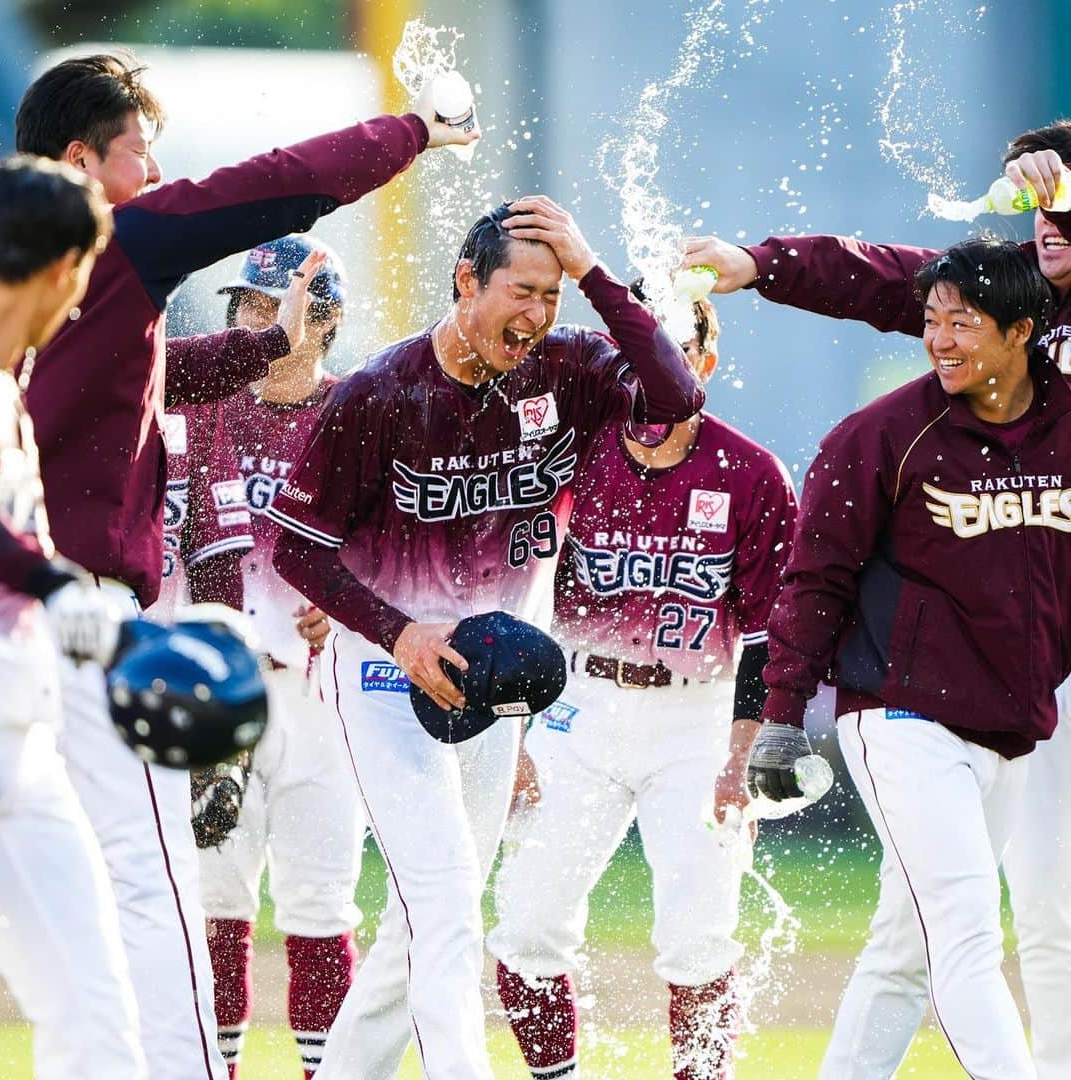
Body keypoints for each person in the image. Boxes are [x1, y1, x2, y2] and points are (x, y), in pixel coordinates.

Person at [14, 50, 476, 1080]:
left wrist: (260, 351)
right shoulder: (118, 238)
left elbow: (127, 380)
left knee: (51, 894)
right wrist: (412, 132)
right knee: (152, 882)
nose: (157, 168)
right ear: (85, 160)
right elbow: (263, 182)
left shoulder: (16, 264)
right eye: (142, 150)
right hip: (72, 613)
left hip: (15, 610)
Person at [268, 198, 704, 1079]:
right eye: (522, 291)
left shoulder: (570, 370)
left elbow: (677, 392)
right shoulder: (379, 393)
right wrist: (398, 636)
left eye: (553, 296)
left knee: (422, 924)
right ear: (466, 282)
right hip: (389, 677)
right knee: (449, 908)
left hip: (495, 685)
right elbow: (296, 548)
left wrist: (590, 272)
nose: (538, 316)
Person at [682, 120, 1071, 1080]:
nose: (1049, 228)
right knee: (998, 920)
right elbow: (882, 275)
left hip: (1034, 668)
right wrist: (760, 263)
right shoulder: (991, 319)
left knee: (930, 938)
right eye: (1040, 214)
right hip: (947, 687)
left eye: (1064, 212)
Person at [486, 290, 797, 1080]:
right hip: (578, 708)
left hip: (698, 720)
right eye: (637, 349)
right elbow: (509, 575)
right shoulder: (578, 450)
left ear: (705, 362)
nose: (652, 371)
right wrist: (516, 727)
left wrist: (743, 755)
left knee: (697, 939)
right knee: (524, 929)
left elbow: (770, 633)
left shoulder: (751, 470)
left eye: (673, 348)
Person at [175, 236, 364, 1080]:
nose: (256, 323)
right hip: (215, 683)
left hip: (320, 692)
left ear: (321, 322)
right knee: (213, 903)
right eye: (248, 307)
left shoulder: (357, 411)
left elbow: (397, 546)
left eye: (272, 307)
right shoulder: (197, 407)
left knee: (321, 903)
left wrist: (347, 592)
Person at [0, 155, 145, 1078]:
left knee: (97, 1019)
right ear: (64, 270)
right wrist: (56, 588)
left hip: (17, 733)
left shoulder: (6, 386)